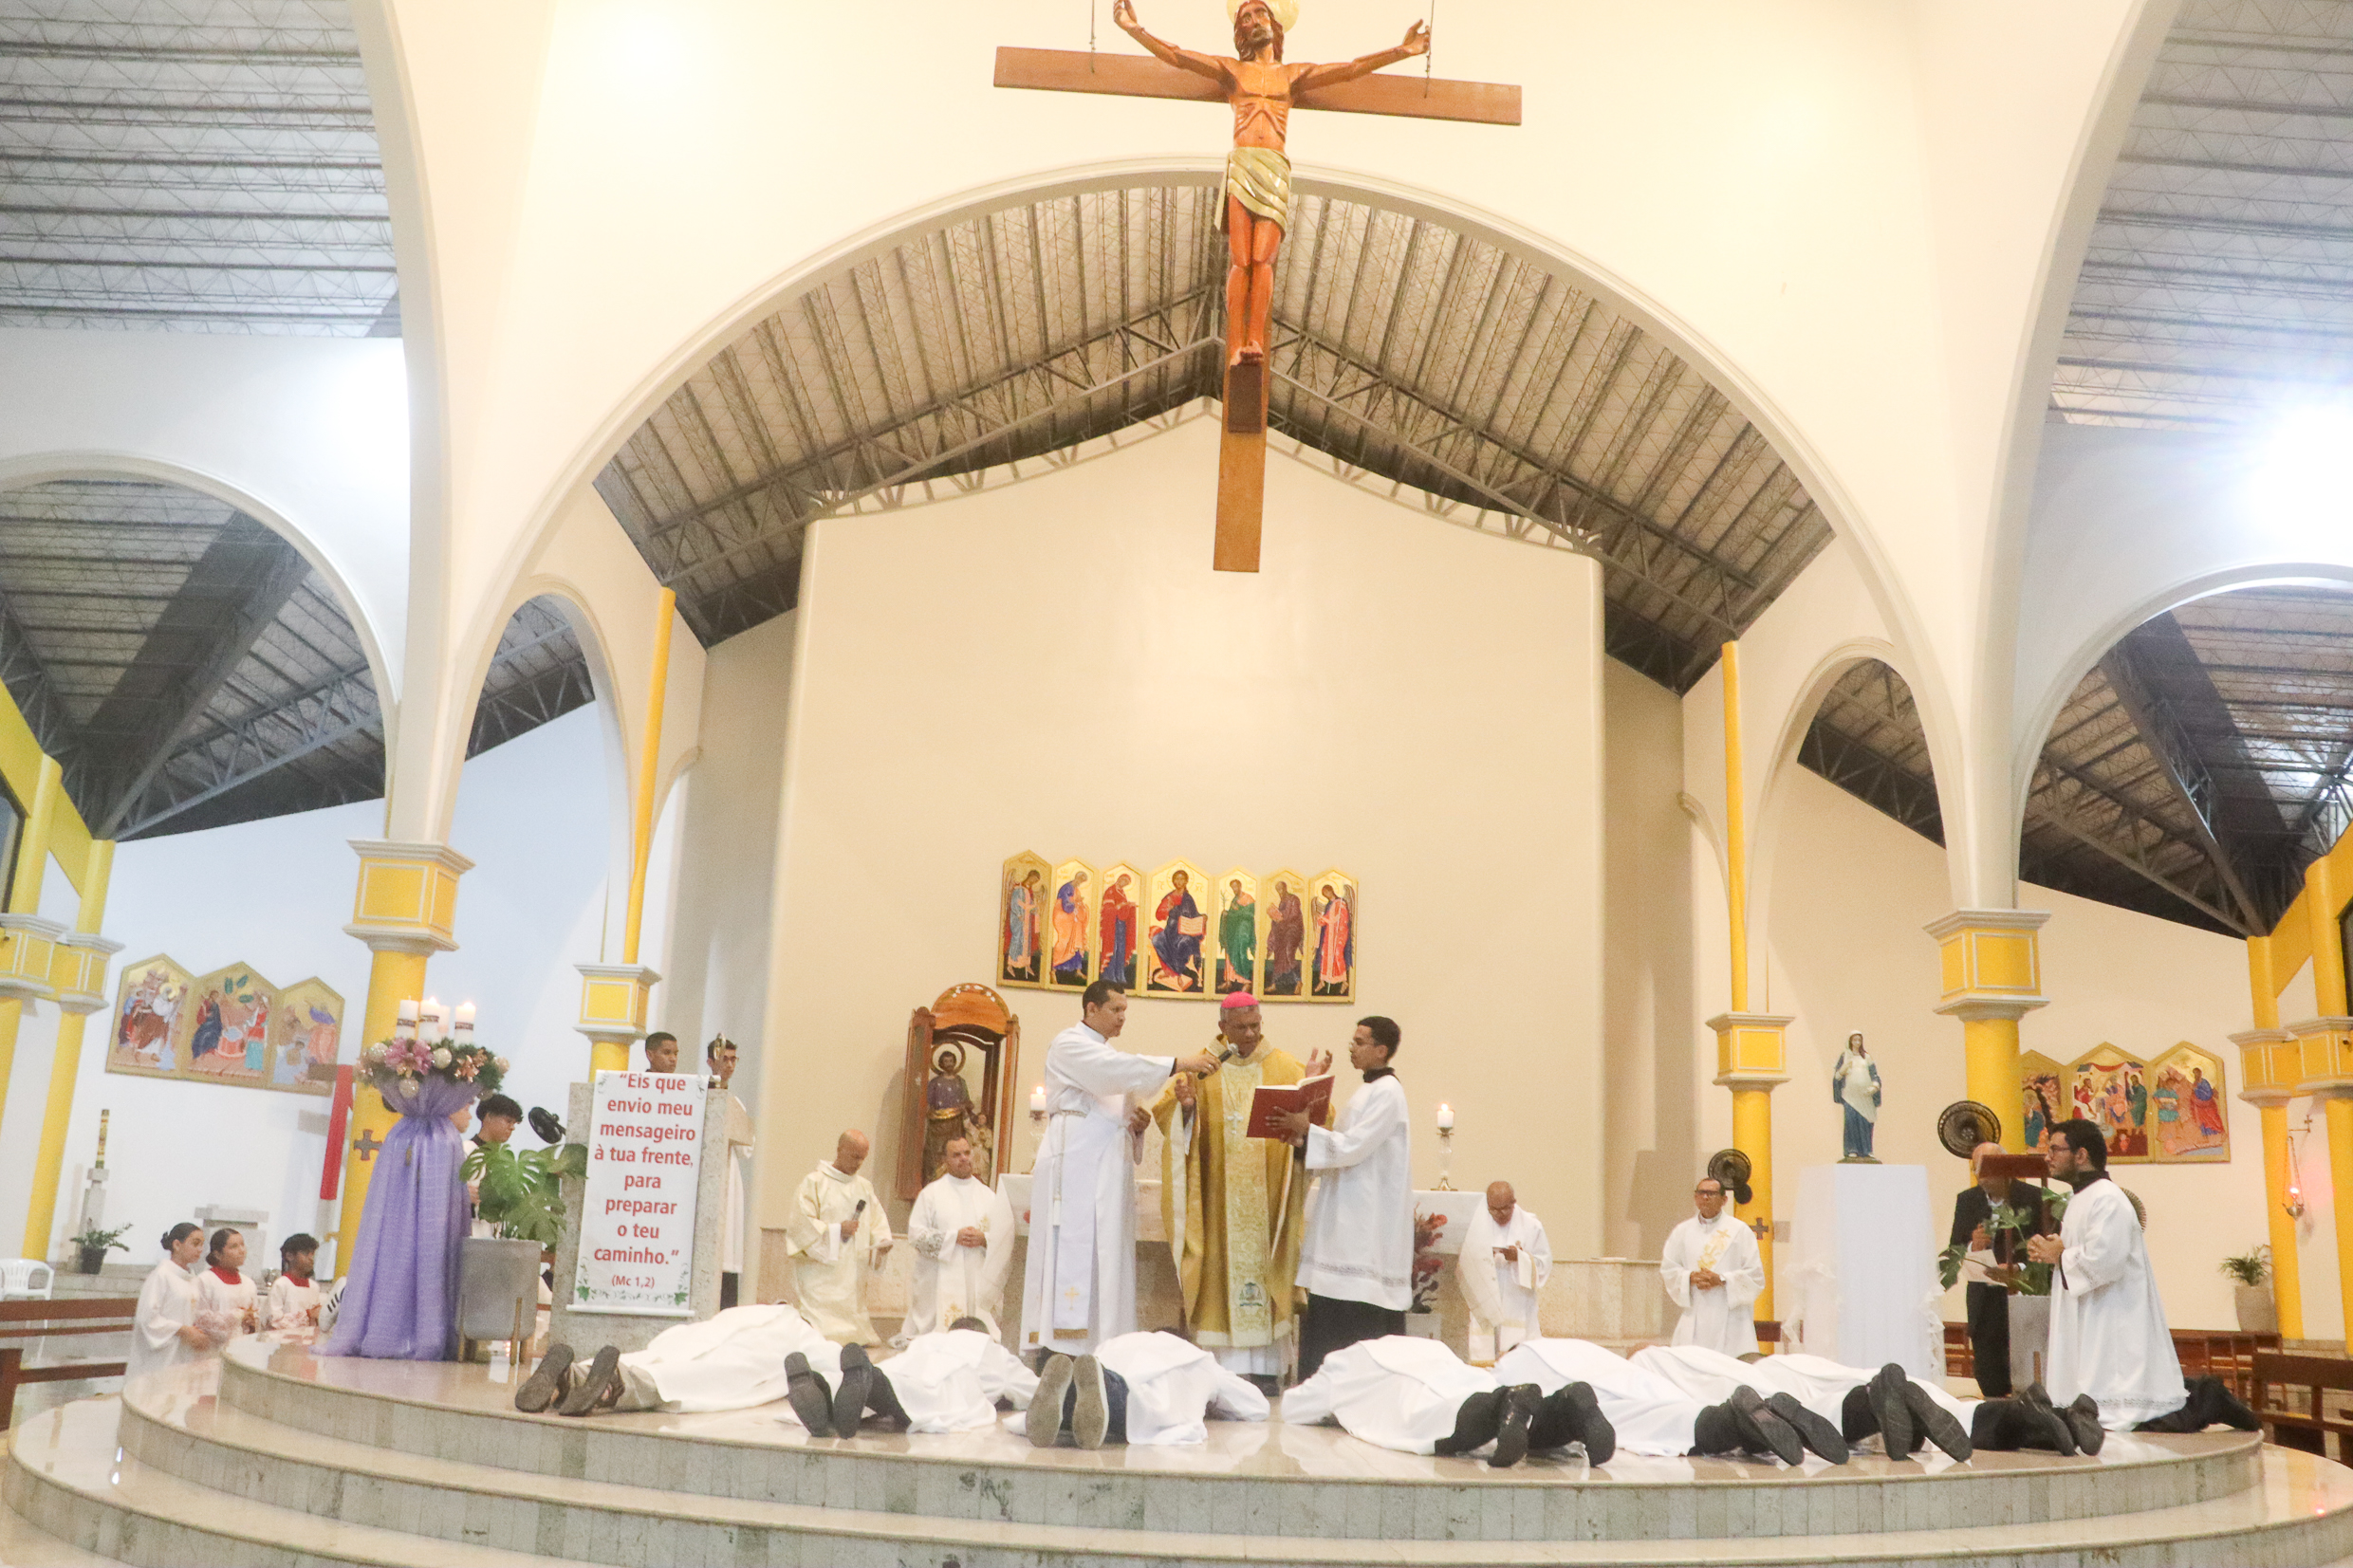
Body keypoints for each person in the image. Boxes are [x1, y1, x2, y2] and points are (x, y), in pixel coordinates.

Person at [1020, 981, 1217, 1356]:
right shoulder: (1068, 1044)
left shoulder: (1111, 1060)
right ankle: (1061, 1348)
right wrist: (1180, 1062)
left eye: (1125, 1010)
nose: (1122, 1017)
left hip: (1108, 1169)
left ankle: (1102, 1340)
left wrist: (1135, 1127)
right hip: (1075, 1160)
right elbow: (1112, 1071)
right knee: (1073, 1248)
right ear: (1091, 1009)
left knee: (1107, 1252)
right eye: (1116, 1010)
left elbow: (1118, 1094)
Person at [2027, 1117, 2259, 1433]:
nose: (2047, 1157)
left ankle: (2209, 1398)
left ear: (2081, 1155)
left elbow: (2106, 1260)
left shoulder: (2108, 1198)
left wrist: (2061, 1255)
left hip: (2114, 1316)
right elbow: (2088, 1250)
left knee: (2135, 1412)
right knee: (2124, 1412)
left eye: (2055, 1149)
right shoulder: (2081, 1199)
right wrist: (2057, 1248)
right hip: (2093, 1314)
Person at [1142, 992, 1325, 1386]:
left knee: (1267, 1269)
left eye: (1255, 1025)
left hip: (1268, 1202)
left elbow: (1319, 1125)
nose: (1251, 1034)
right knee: (1217, 1274)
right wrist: (1186, 1109)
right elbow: (1167, 1115)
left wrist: (1310, 1088)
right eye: (1241, 1027)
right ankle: (1222, 1371)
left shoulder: (1285, 1067)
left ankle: (1266, 1370)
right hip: (1217, 1203)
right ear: (1222, 1027)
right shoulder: (1201, 1068)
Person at [1274, 1015, 1410, 1379]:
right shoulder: (1367, 1091)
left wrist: (1308, 1132)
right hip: (1347, 1207)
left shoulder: (1388, 1092)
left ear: (1381, 1050)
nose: (1352, 1047)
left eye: (1360, 1042)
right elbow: (1338, 1143)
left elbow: (1353, 1146)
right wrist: (1305, 1130)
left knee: (1352, 1309)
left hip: (1364, 1217)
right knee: (1331, 1304)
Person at [1284, 1335, 1614, 1469]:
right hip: (1452, 1369)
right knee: (1501, 1414)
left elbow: (1294, 1408)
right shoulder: (1410, 1341)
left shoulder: (1340, 1363)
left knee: (1438, 1420)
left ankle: (1507, 1400)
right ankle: (1566, 1406)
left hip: (1407, 1386)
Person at [520, 1302, 842, 1419]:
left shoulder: (757, 1310)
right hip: (745, 1357)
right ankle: (611, 1387)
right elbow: (836, 1362)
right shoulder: (806, 1334)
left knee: (656, 1359)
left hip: (702, 1337)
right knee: (681, 1377)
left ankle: (571, 1375)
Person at [1026, 1330, 1269, 1448]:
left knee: (1087, 1390)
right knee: (1122, 1401)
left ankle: (1067, 1400)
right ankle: (1101, 1388)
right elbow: (1257, 1406)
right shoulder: (1199, 1358)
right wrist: (1214, 1402)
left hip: (1104, 1365)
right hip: (1138, 1402)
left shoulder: (1122, 1339)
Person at [1950, 1141, 2047, 1398]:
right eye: (1976, 1169)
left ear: (2005, 1168)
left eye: (1986, 1168)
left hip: (2022, 1294)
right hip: (1983, 1299)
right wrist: (1974, 1245)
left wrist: (2019, 1267)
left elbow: (2046, 1246)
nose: (1980, 1175)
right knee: (1989, 1373)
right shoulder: (1967, 1200)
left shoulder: (2034, 1198)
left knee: (2024, 1374)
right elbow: (1955, 1247)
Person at [785, 1129, 893, 1343]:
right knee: (821, 1334)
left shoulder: (864, 1187)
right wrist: (836, 1230)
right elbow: (801, 1226)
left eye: (862, 1158)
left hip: (853, 1273)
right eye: (854, 1156)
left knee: (854, 1329)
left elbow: (877, 1222)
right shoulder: (814, 1183)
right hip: (822, 1274)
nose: (858, 1163)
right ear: (840, 1150)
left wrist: (882, 1242)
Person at [902, 1134, 1016, 1339]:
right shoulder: (931, 1194)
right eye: (956, 1155)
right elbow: (916, 1236)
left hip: (977, 1276)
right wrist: (953, 1238)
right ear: (945, 1160)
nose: (964, 1158)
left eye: (967, 1153)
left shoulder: (988, 1196)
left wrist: (984, 1239)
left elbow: (1003, 1238)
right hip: (938, 1280)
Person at [862, 1318, 1039, 1434]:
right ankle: (869, 1381)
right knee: (918, 1396)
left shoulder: (931, 1339)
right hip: (946, 1383)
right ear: (985, 1334)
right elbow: (1037, 1391)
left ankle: (856, 1376)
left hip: (898, 1368)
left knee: (890, 1381)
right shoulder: (991, 1349)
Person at [1659, 1176, 1763, 1357]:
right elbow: (1669, 1268)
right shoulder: (1682, 1231)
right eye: (1701, 1193)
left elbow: (1755, 1276)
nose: (1705, 1197)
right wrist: (1690, 1277)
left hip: (1730, 1316)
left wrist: (1721, 1279)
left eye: (1711, 1193)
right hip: (1695, 1312)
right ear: (1695, 1197)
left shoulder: (1739, 1231)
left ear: (1724, 1200)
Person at [1460, 1180, 1552, 1363]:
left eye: (1504, 1209)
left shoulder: (1531, 1226)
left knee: (1518, 1357)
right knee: (1485, 1351)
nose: (1499, 1214)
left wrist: (1519, 1258)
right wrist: (1484, 1255)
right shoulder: (1477, 1225)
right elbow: (1465, 1260)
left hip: (1517, 1299)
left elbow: (1543, 1264)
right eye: (1494, 1209)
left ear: (1513, 1203)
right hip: (1487, 1296)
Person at [127, 1223, 210, 1383]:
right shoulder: (161, 1276)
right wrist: (183, 1330)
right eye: (195, 1243)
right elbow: (147, 1319)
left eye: (202, 1244)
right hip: (159, 1355)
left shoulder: (192, 1279)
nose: (200, 1249)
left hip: (182, 1351)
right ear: (177, 1245)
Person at [708, 1035, 754, 1310]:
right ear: (710, 1061)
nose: (729, 1065)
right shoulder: (699, 1095)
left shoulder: (735, 1103)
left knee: (727, 1246)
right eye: (723, 1059)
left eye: (733, 1060)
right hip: (705, 1175)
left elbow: (747, 1147)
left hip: (728, 1174)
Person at [195, 1227, 259, 1339]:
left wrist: (252, 1321)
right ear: (217, 1254)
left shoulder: (248, 1283)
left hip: (242, 1345)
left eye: (242, 1245)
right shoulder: (204, 1280)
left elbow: (256, 1317)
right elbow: (199, 1319)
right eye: (234, 1246)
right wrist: (237, 1316)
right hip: (212, 1345)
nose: (242, 1250)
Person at [267, 1234, 324, 1338]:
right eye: (306, 1254)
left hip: (308, 1341)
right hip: (284, 1341)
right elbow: (274, 1321)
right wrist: (307, 1315)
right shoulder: (281, 1284)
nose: (311, 1259)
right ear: (289, 1256)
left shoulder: (314, 1287)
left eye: (312, 1254)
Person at [1834, 1033, 1881, 1160]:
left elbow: (1874, 1074)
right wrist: (1842, 1071)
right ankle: (1852, 1149)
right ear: (1850, 1041)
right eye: (1855, 1040)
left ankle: (1867, 1149)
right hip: (1850, 1096)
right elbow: (1837, 1076)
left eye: (1859, 1040)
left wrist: (1874, 1086)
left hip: (1865, 1096)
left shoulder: (1866, 1057)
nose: (1857, 1042)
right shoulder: (1845, 1056)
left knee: (1865, 1122)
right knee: (1851, 1122)